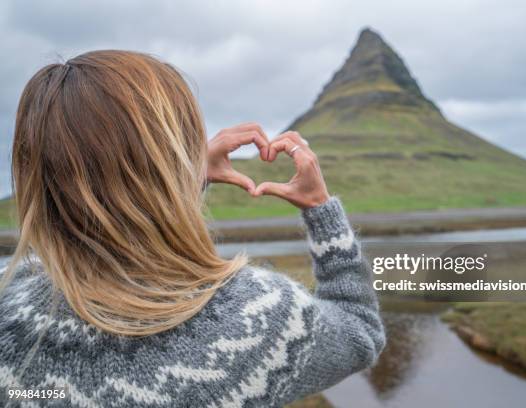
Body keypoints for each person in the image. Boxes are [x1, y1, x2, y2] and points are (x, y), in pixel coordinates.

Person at [0, 50, 385, 407]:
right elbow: (359, 331)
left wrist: (179, 181)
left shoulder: (7, 303)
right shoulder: (256, 318)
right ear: (170, 159)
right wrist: (321, 210)